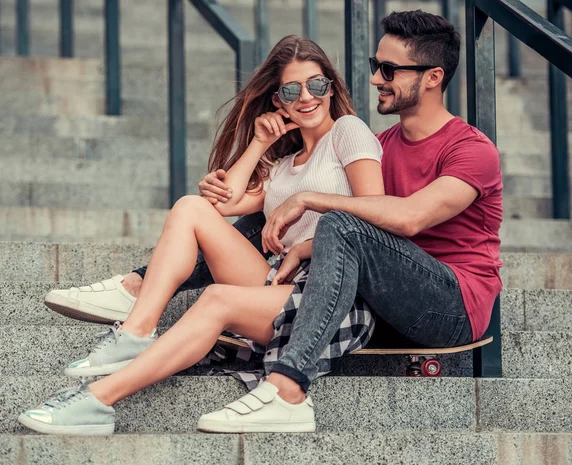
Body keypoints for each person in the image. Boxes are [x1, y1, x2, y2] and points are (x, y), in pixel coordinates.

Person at [18, 35, 384, 435]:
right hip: (278, 280)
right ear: (277, 100)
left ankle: (96, 400)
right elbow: (220, 205)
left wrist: (308, 246)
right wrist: (260, 141)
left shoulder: (348, 131)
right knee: (189, 207)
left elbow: (372, 216)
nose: (306, 98)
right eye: (291, 90)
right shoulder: (281, 164)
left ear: (330, 86)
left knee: (215, 298)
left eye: (316, 84)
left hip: (331, 292)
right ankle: (136, 331)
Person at [196, 9, 502, 432]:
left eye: (389, 70)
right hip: (382, 296)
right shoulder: (376, 145)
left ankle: (288, 384)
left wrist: (309, 199)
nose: (376, 79)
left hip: (450, 306)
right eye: (377, 67)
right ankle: (142, 283)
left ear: (432, 77)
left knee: (339, 219)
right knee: (271, 218)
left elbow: (411, 218)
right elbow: (252, 205)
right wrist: (286, 210)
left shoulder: (472, 150)